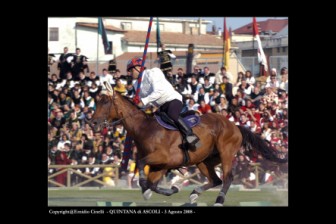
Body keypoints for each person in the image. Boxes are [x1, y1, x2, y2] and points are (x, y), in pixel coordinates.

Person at [127, 57, 200, 149]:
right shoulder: (136, 85)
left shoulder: (153, 72)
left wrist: (143, 101)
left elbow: (159, 92)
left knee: (172, 115)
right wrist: (137, 105)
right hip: (161, 107)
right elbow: (146, 104)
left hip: (172, 99)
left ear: (138, 67)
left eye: (131, 69)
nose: (129, 73)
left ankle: (192, 137)